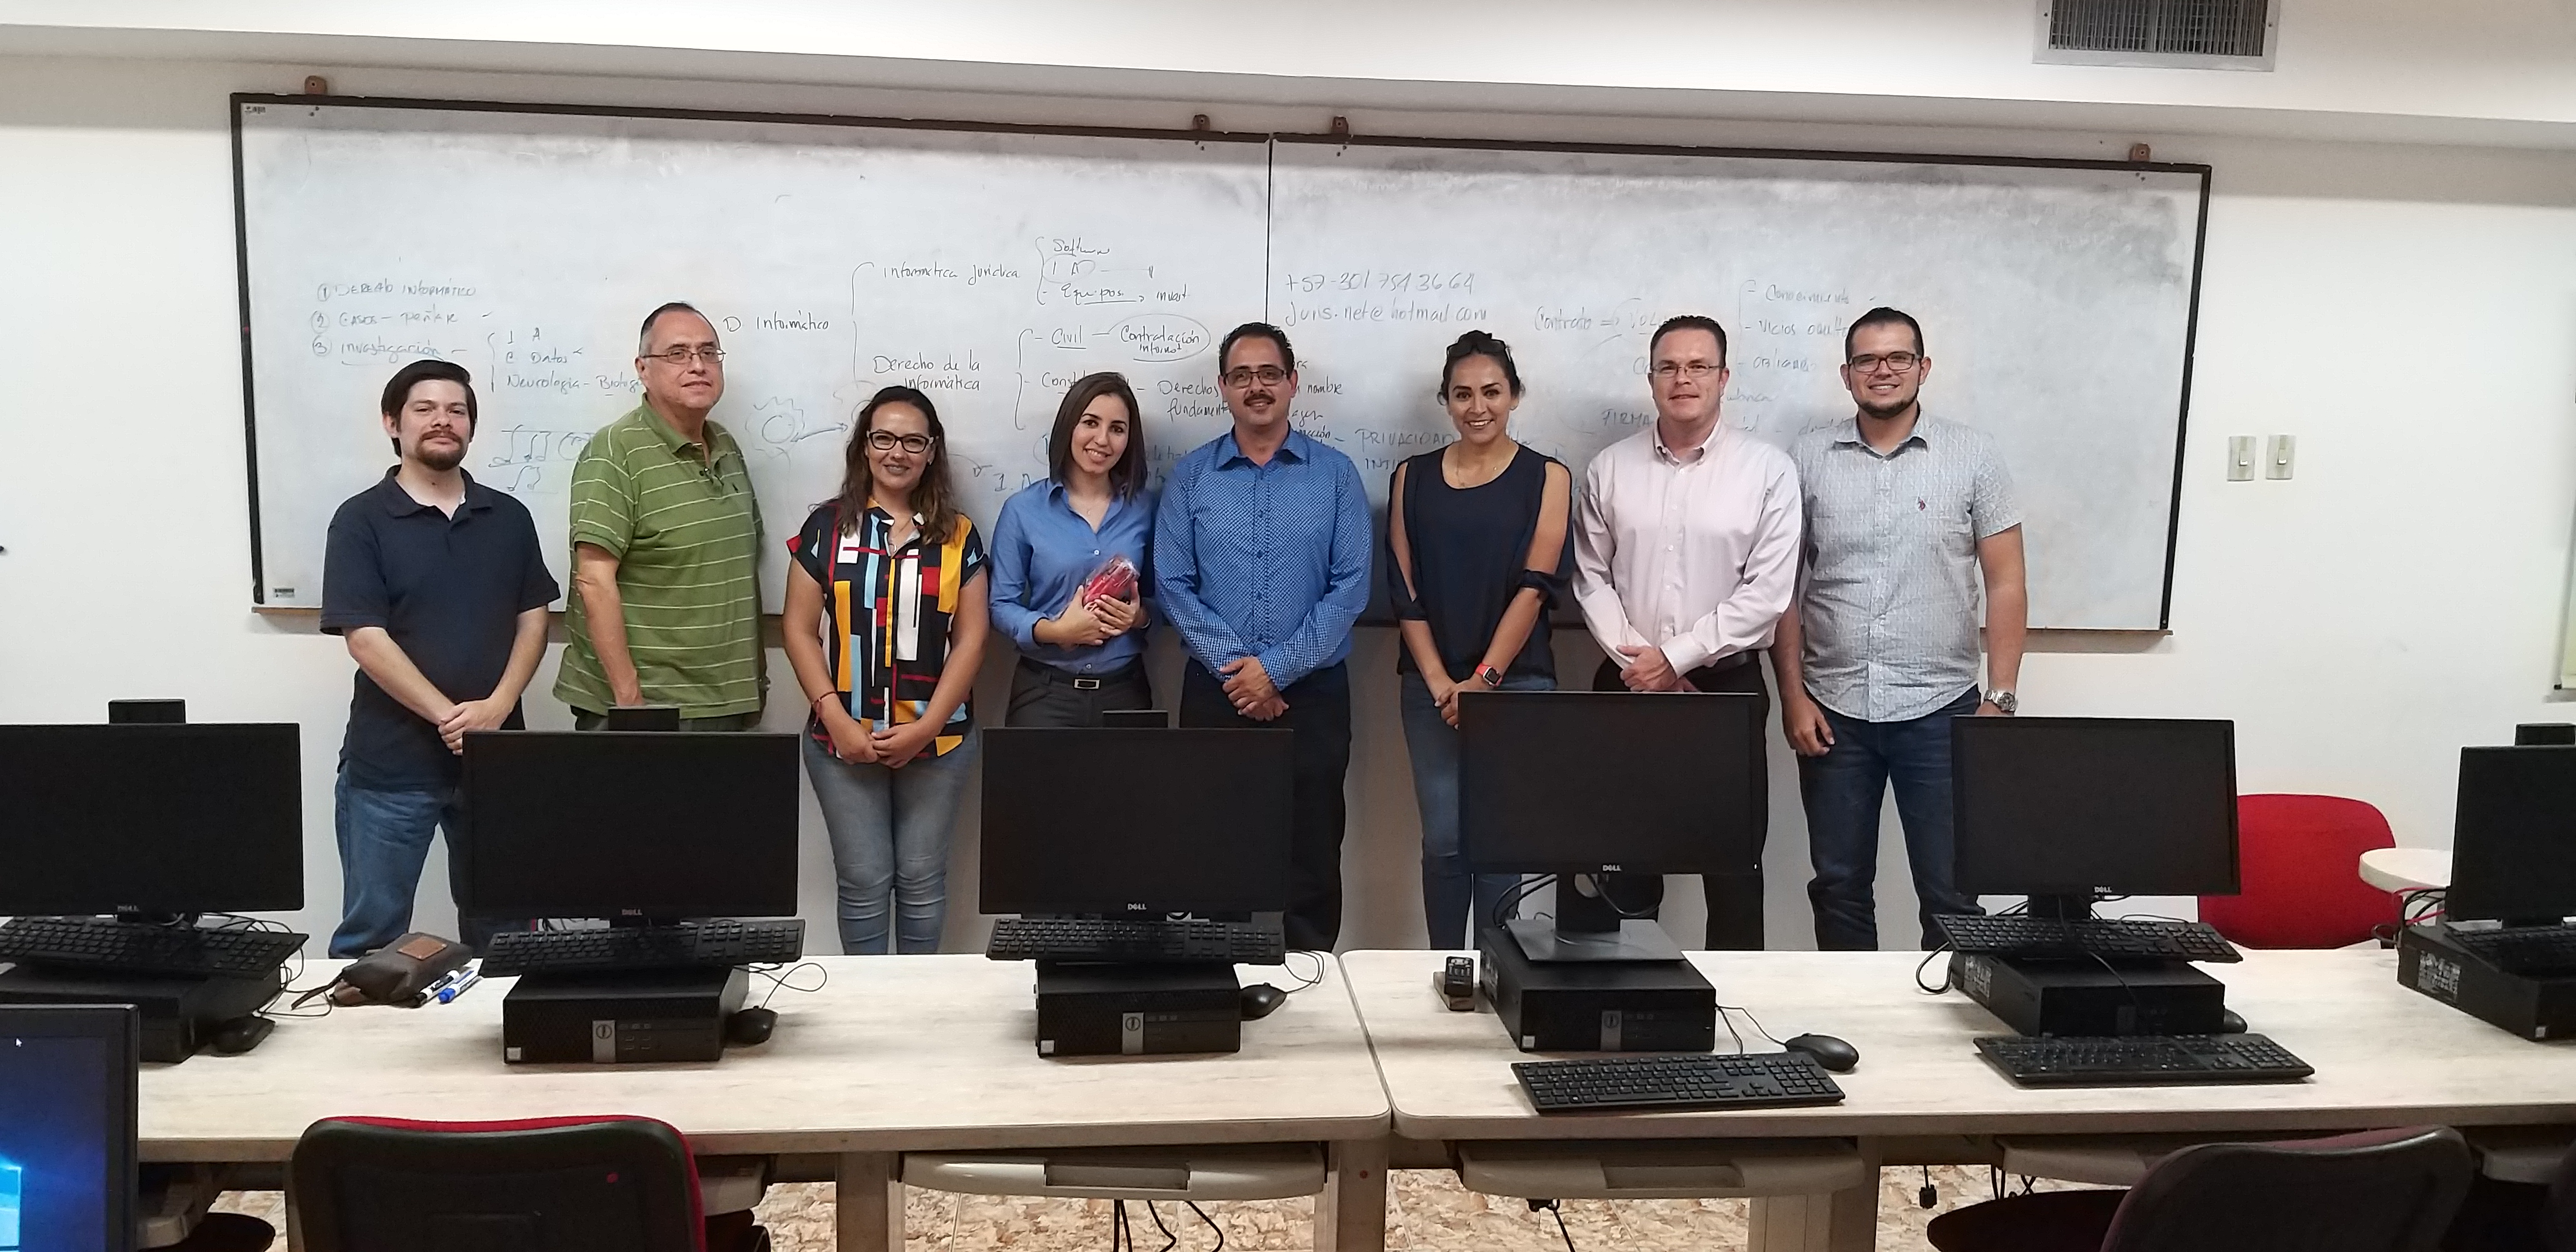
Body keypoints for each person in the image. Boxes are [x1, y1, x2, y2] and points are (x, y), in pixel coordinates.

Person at [1775, 307, 2027, 950]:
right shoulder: (1807, 458)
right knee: (1838, 887)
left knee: (1952, 893)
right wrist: (1793, 698)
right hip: (1834, 710)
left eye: (1898, 358)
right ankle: (1853, 1010)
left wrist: (2000, 697)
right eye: (1867, 359)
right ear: (1847, 374)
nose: (1882, 370)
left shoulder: (1974, 456)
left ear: (1923, 368)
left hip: (1942, 711)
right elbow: (1783, 591)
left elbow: (2006, 582)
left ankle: (1948, 1012)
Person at [1571, 314, 1801, 950]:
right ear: (1651, 379)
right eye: (1669, 367)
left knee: (1731, 867)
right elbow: (1591, 578)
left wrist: (1674, 660)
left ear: (1724, 378)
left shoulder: (1767, 470)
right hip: (1626, 686)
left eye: (1699, 366)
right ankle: (1622, 1000)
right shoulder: (1610, 469)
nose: (1683, 379)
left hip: (1725, 691)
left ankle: (1736, 1006)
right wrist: (1644, 665)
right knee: (1622, 861)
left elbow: (1768, 594)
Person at [320, 359, 557, 957]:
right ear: (393, 423)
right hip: (390, 766)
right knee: (373, 938)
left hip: (496, 762)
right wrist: (452, 718)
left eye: (457, 410)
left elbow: (534, 618)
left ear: (471, 425)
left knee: (507, 938)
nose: (442, 421)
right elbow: (365, 637)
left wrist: (498, 706)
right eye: (425, 409)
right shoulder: (360, 520)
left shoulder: (509, 517)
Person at [1156, 322, 1372, 950]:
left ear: (1292, 382)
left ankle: (1312, 973)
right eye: (1242, 375)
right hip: (1216, 692)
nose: (1257, 387)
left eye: (1270, 373)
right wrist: (1241, 672)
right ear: (1223, 387)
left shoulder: (1336, 476)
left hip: (1315, 695)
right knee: (1216, 841)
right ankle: (1218, 971)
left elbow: (1350, 587)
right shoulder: (1192, 478)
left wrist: (1275, 671)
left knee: (1313, 846)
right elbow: (1172, 583)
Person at [782, 386, 991, 954]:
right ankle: (865, 1003)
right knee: (863, 883)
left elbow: (973, 639)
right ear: (864, 446)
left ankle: (917, 1003)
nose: (897, 452)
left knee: (922, 883)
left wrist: (927, 727)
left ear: (932, 451)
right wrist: (835, 718)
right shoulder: (826, 528)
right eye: (884, 438)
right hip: (842, 741)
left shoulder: (959, 535)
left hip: (939, 741)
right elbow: (797, 630)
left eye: (913, 441)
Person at [1385, 331, 1573, 950]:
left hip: (1517, 684)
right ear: (1446, 401)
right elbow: (1405, 590)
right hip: (1431, 687)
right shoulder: (1411, 477)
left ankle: (1499, 972)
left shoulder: (1548, 477)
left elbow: (1536, 586)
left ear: (1514, 395)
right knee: (1444, 840)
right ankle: (1445, 969)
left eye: (1492, 392)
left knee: (1499, 841)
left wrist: (1484, 681)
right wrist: (1444, 683)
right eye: (1462, 394)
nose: (1478, 407)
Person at [553, 302, 764, 729]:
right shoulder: (615, 451)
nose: (698, 366)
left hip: (725, 704)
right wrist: (631, 705)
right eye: (677, 354)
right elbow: (593, 581)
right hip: (653, 711)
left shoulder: (725, 446)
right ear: (643, 369)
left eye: (708, 353)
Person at [988, 372, 1154, 727]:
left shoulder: (1145, 509)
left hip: (1125, 692)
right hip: (1045, 694)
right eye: (1090, 423)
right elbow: (1001, 605)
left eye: (1117, 429)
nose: (1102, 440)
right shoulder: (1023, 510)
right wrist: (1055, 632)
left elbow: (1166, 599)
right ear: (1069, 427)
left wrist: (1138, 618)